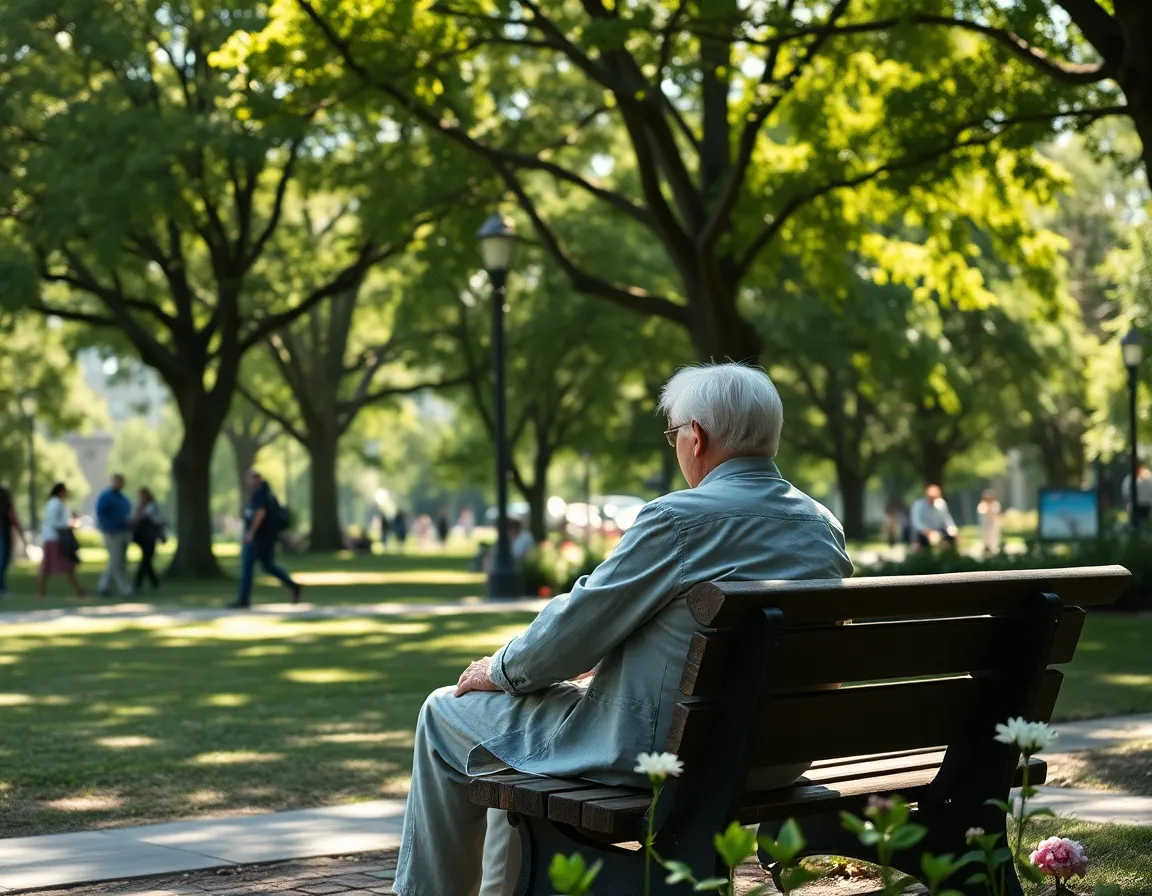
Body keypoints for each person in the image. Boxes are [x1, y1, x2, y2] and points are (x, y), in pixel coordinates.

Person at [392, 362, 853, 896]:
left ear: (695, 437)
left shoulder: (678, 520)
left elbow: (572, 635)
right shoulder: (821, 526)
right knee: (503, 747)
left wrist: (499, 669)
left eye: (674, 433)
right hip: (777, 755)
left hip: (662, 755)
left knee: (445, 712)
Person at [228, 470, 301, 609]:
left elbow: (260, 513)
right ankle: (292, 585)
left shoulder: (261, 495)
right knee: (268, 565)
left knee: (247, 566)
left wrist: (250, 533)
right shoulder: (266, 494)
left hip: (259, 538)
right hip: (267, 538)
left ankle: (243, 599)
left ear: (256, 479)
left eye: (249, 479)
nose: (247, 482)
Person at [36, 483, 85, 599]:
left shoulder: (54, 503)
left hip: (53, 537)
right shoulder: (55, 503)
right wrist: (70, 525)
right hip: (54, 538)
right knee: (49, 566)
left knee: (60, 565)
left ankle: (78, 589)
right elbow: (55, 522)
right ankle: (40, 591)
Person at [95, 473, 133, 597]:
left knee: (118, 561)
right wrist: (107, 527)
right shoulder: (106, 497)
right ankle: (123, 588)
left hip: (123, 531)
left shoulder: (123, 498)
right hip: (112, 532)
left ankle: (103, 586)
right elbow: (100, 513)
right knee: (116, 561)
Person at [130, 487, 165, 592]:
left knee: (146, 561)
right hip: (143, 537)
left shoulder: (151, 507)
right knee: (147, 561)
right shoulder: (141, 507)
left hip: (150, 537)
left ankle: (140, 583)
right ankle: (154, 584)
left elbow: (157, 521)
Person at [909, 484, 958, 550]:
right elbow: (916, 522)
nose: (932, 499)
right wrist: (926, 531)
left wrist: (953, 530)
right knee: (916, 538)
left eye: (935, 497)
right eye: (931, 497)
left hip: (938, 530)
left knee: (950, 537)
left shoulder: (941, 504)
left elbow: (947, 520)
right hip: (922, 532)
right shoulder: (918, 505)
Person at [0, 485, 26, 597]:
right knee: (3, 561)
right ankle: (2, 587)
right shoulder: (7, 505)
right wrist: (22, 537)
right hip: (3, 532)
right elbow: (14, 519)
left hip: (4, 532)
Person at [1121, 462, 1152, 527]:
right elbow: (1126, 494)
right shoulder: (1129, 479)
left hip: (1146, 506)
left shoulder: (1148, 478)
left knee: (1146, 525)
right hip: (1135, 506)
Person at [977, 489, 1002, 557]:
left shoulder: (995, 504)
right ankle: (986, 549)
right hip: (985, 526)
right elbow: (982, 513)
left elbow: (996, 514)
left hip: (993, 525)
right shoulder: (982, 505)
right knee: (986, 538)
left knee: (994, 539)